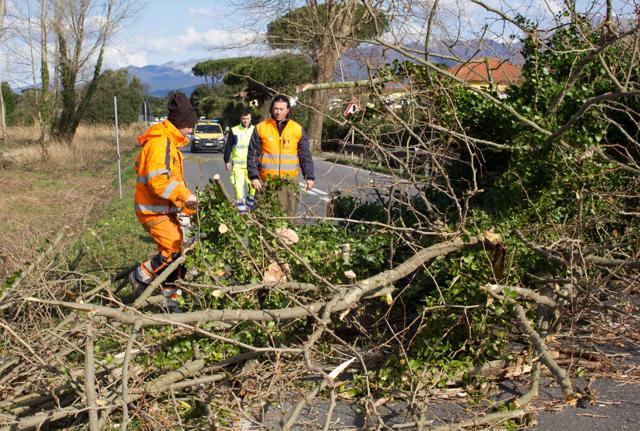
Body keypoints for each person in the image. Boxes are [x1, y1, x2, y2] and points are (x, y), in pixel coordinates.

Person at [129, 92, 199, 313]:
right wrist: (185, 196)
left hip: (162, 209)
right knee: (172, 252)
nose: (191, 130)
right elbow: (159, 180)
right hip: (153, 211)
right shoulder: (161, 143)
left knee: (178, 252)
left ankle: (172, 298)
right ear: (180, 123)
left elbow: (173, 180)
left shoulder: (168, 140)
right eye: (190, 125)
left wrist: (186, 203)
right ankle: (141, 275)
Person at [247, 95, 315, 216]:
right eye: (276, 109)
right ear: (272, 109)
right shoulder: (261, 128)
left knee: (287, 220)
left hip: (289, 184)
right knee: (262, 219)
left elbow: (305, 155)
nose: (278, 112)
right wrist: (254, 176)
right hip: (265, 183)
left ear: (288, 110)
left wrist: (309, 176)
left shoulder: (297, 129)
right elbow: (252, 155)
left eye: (282, 109)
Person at [223, 108, 256, 214]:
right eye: (243, 119)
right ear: (240, 119)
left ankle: (251, 209)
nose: (245, 121)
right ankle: (242, 214)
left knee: (253, 188)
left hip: (252, 166)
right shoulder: (234, 130)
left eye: (247, 118)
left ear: (251, 118)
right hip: (238, 166)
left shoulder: (255, 130)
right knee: (238, 189)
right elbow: (228, 146)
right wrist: (227, 160)